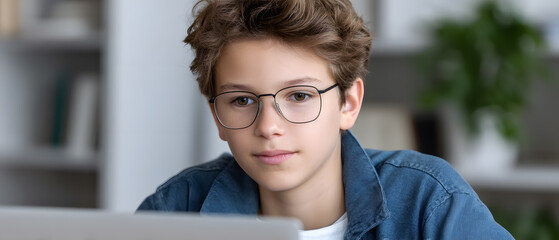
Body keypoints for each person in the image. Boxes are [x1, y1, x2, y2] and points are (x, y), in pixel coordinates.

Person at [137, 0, 513, 239]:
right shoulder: (176, 207)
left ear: (348, 103)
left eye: (299, 96)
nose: (268, 126)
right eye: (242, 100)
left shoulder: (427, 201)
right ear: (217, 116)